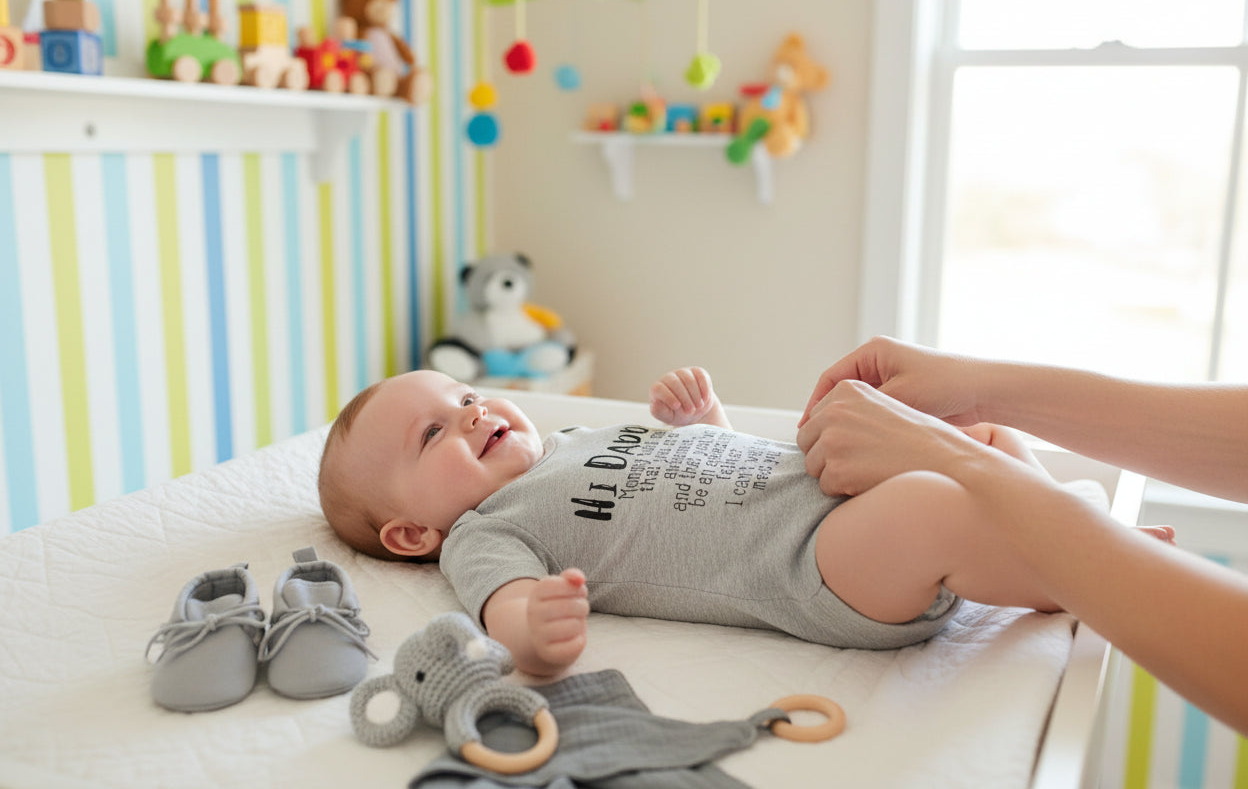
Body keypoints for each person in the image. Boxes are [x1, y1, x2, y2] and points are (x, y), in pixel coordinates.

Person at [318, 366, 1174, 677]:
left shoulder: (578, 436)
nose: (470, 414)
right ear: (409, 535)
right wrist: (533, 633)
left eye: (464, 397)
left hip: (828, 487)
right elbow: (501, 604)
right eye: (434, 433)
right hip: (813, 565)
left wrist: (709, 421)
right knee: (934, 509)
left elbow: (714, 470)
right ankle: (1094, 570)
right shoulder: (484, 531)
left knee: (979, 437)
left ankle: (1080, 536)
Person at [795, 335, 1248, 736]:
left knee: (937, 502)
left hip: (831, 535)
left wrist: (954, 456)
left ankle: (1050, 560)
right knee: (971, 453)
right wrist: (981, 389)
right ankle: (1061, 542)